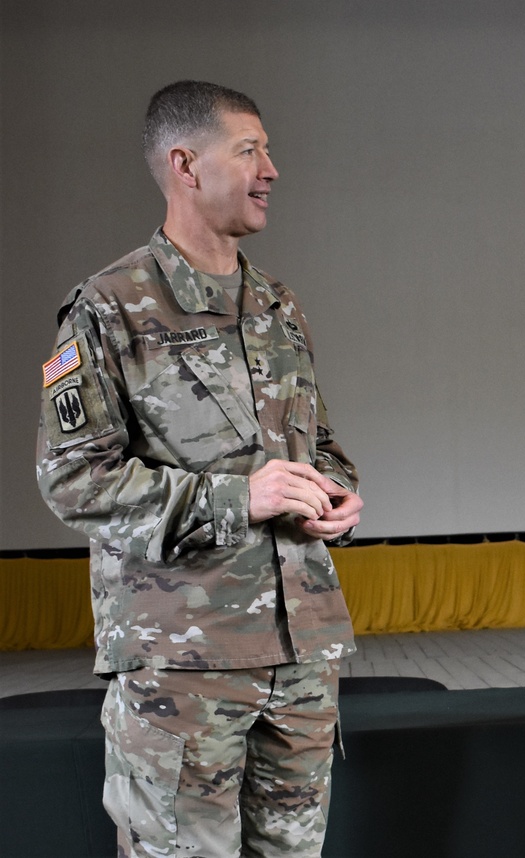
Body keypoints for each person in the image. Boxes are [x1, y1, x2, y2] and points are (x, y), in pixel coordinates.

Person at [36, 80, 363, 858]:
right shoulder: (108, 307)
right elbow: (73, 478)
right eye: (249, 149)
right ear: (186, 164)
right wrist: (236, 499)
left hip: (302, 657)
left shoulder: (278, 305)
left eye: (268, 150)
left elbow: (316, 444)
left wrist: (336, 494)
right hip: (182, 667)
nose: (271, 168)